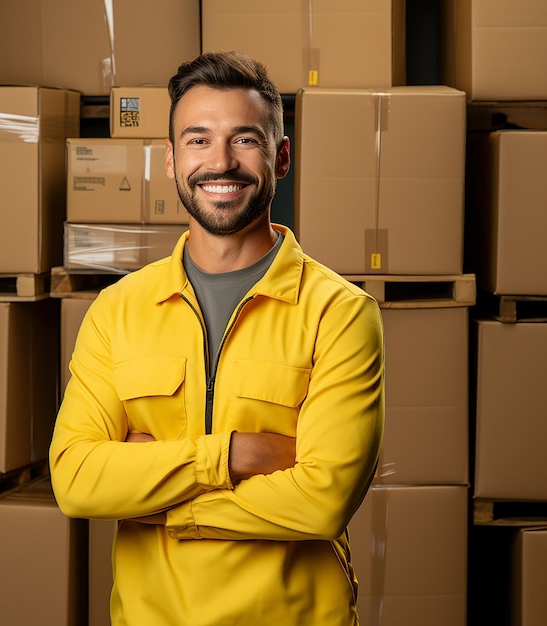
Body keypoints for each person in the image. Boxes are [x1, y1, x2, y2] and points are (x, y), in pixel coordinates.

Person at [50, 50, 385, 626]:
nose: (221, 163)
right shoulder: (117, 310)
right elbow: (77, 481)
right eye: (198, 140)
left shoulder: (340, 313)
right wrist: (237, 454)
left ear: (281, 158)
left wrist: (160, 501)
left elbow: (323, 501)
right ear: (171, 159)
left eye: (245, 140)